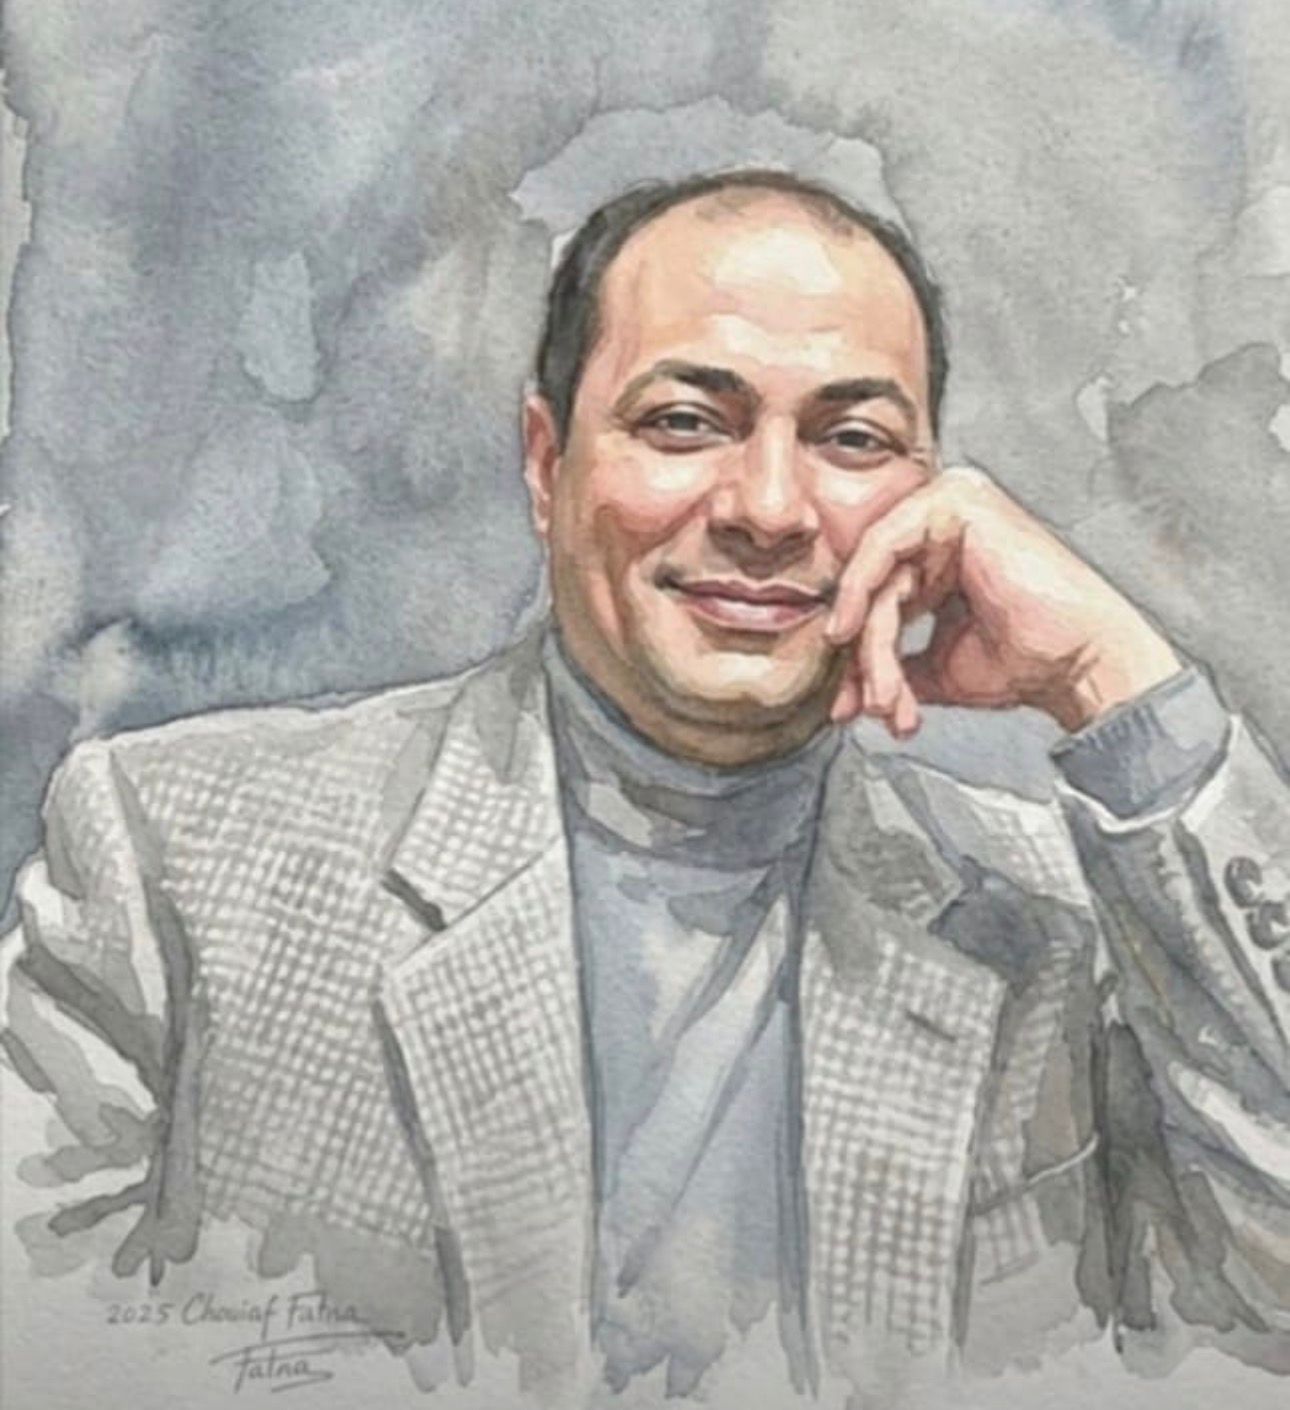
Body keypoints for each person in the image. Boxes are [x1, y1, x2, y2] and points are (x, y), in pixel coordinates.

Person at [3, 169, 1289, 1406]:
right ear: (544, 460)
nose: (770, 509)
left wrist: (1113, 680)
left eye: (851, 438)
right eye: (685, 421)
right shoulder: (170, 856)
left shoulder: (1080, 920)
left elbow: (1261, 1336)